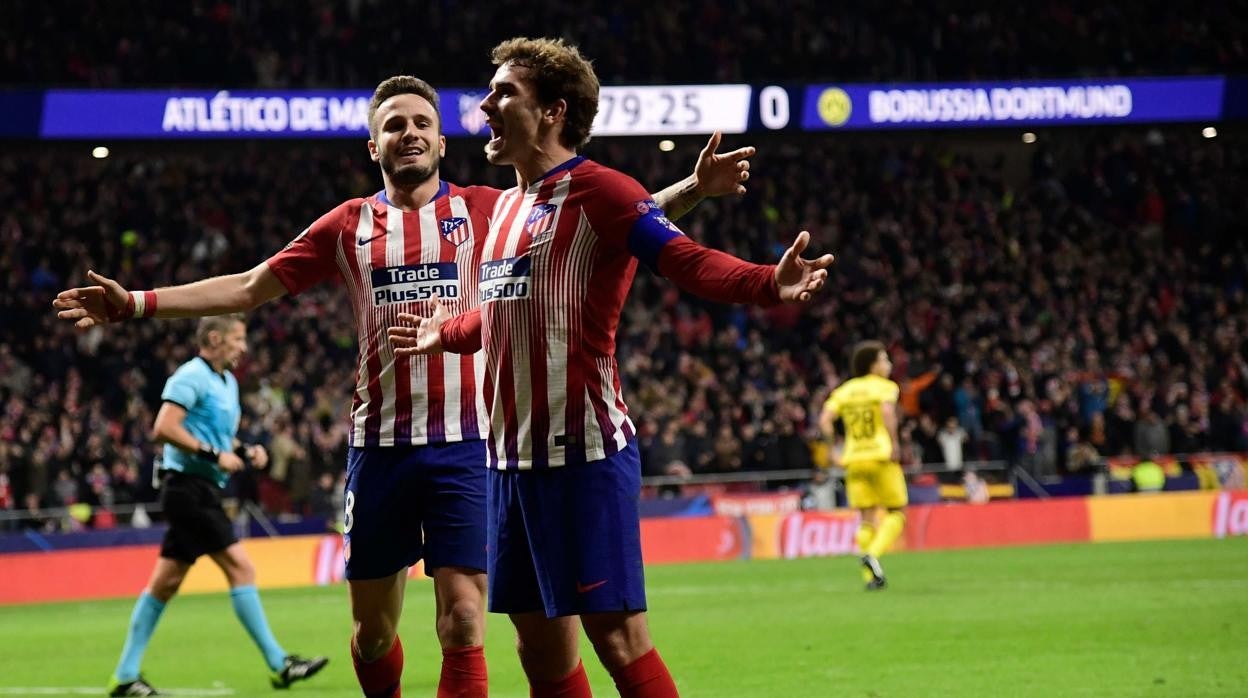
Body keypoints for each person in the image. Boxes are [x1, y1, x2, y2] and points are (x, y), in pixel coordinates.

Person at [54, 74, 754, 698]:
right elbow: (247, 287)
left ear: (442, 142)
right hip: (381, 449)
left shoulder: (490, 208)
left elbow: (606, 224)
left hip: (467, 447)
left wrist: (691, 190)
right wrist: (137, 301)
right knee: (374, 634)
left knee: (464, 619)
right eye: (394, 125)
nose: (409, 133)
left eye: (422, 123)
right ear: (373, 148)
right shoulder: (349, 225)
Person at [388, 37, 833, 698]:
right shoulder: (508, 206)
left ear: (553, 112)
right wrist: (445, 331)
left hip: (583, 458)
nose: (485, 104)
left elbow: (684, 259)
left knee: (618, 637)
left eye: (505, 92)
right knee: (538, 648)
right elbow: (506, 312)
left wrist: (769, 283)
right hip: (509, 464)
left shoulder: (600, 190)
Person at [104, 315, 327, 696]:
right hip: (187, 489)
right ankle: (279, 664)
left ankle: (124, 675)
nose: (244, 347)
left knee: (164, 584)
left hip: (201, 488)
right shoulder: (190, 376)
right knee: (241, 567)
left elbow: (217, 433)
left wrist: (243, 449)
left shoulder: (225, 382)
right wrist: (213, 455)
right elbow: (164, 428)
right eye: (238, 339)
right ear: (214, 338)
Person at [819, 340, 906, 590]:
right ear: (873, 365)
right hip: (880, 456)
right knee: (896, 511)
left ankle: (872, 578)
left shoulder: (844, 391)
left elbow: (825, 420)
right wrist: (895, 443)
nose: (888, 365)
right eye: (884, 360)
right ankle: (873, 555)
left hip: (853, 459)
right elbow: (888, 413)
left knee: (867, 519)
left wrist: (833, 449)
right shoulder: (885, 387)